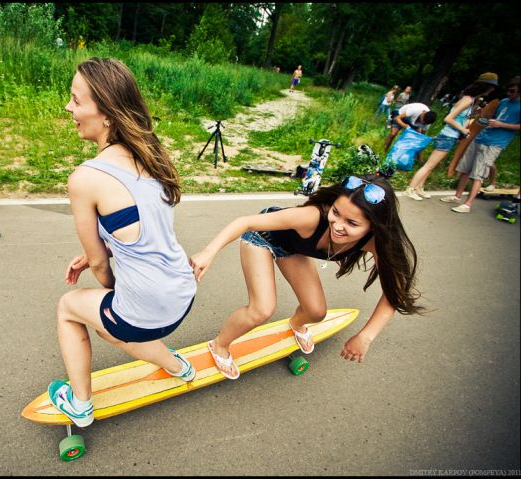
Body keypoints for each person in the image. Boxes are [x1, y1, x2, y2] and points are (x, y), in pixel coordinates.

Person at [46, 57, 197, 427]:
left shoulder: (86, 179)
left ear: (108, 114)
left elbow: (99, 267)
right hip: (184, 292)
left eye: (76, 100)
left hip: (148, 307)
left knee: (70, 307)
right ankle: (178, 366)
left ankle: (80, 405)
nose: (68, 107)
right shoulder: (152, 154)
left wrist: (117, 289)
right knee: (108, 324)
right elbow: (141, 228)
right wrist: (110, 250)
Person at [189, 174, 423, 379]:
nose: (337, 225)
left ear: (375, 227)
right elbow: (246, 222)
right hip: (262, 238)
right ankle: (219, 344)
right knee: (262, 309)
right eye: (336, 212)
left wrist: (366, 336)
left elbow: (394, 293)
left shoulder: (378, 243)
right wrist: (209, 252)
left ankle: (296, 324)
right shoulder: (311, 217)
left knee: (316, 312)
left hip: (294, 249)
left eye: (351, 223)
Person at [404, 74, 498, 201]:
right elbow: (448, 118)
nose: (491, 90)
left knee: (432, 165)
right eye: (491, 87)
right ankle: (410, 189)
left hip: (450, 136)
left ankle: (420, 187)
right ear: (484, 86)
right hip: (448, 136)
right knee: (429, 165)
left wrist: (465, 128)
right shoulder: (468, 100)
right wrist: (462, 129)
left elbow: (460, 119)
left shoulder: (471, 100)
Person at [441, 76, 520, 213]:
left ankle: (468, 204)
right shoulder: (504, 102)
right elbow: (489, 120)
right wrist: (480, 116)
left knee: (478, 173)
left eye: (512, 91)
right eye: (508, 90)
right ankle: (457, 196)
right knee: (465, 168)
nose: (509, 93)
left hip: (495, 143)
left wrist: (501, 125)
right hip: (481, 137)